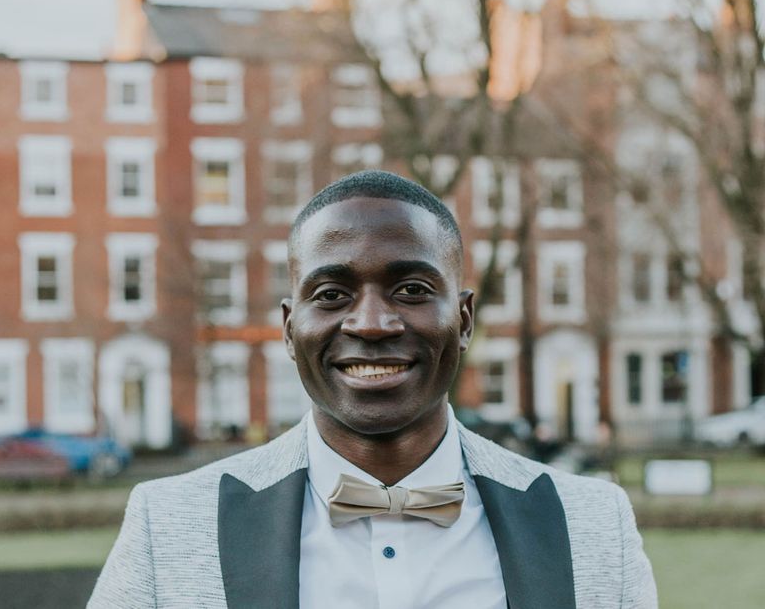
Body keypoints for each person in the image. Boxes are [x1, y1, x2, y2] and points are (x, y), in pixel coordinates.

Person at [89, 170, 657, 608]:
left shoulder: (592, 523)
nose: (371, 324)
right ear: (290, 330)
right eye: (332, 293)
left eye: (410, 288)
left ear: (463, 321)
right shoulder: (166, 528)